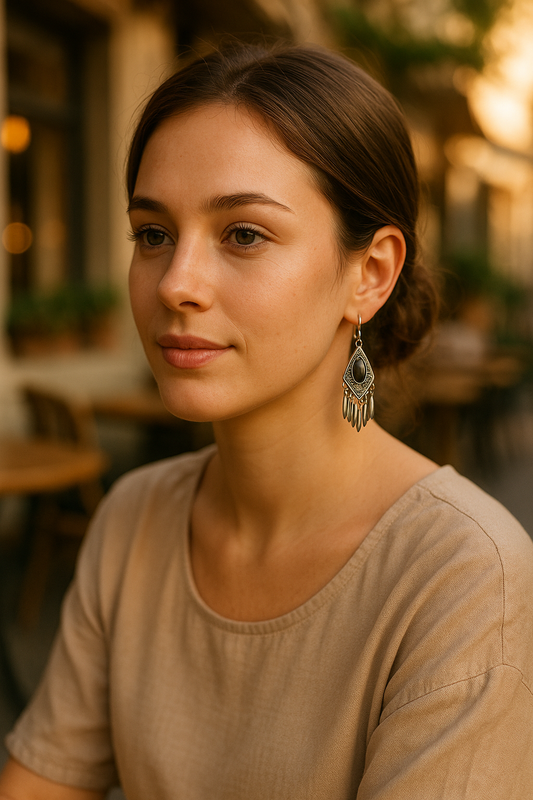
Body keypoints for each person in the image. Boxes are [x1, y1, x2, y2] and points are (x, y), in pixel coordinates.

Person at [1, 42, 533, 800]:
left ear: (369, 274)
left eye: (243, 234)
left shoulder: (463, 577)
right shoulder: (133, 519)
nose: (176, 284)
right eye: (152, 234)